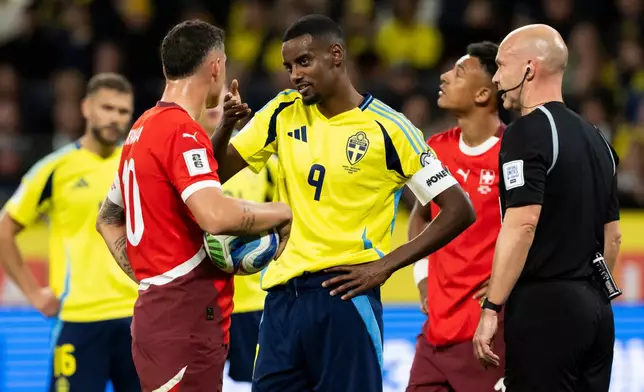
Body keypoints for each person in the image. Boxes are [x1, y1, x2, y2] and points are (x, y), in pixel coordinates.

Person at [211, 14, 475, 392]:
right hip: (283, 297)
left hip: (345, 296)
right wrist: (225, 126)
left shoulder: (391, 128)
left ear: (336, 55)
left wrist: (386, 266)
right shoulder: (282, 111)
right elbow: (216, 173)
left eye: (304, 62)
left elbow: (458, 208)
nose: (295, 75)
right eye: (288, 67)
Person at [95, 20, 292, 392]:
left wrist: (147, 275)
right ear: (216, 67)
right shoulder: (182, 132)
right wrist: (282, 212)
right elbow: (215, 216)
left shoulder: (143, 129)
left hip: (160, 312)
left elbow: (107, 218)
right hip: (185, 320)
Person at [472, 24, 621, 392]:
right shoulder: (598, 138)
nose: (494, 76)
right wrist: (589, 300)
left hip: (545, 310)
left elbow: (522, 225)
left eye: (501, 64)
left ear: (528, 68)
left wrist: (492, 307)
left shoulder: (526, 132)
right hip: (597, 312)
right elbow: (613, 237)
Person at [0, 73, 141, 392]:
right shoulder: (55, 169)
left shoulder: (139, 164)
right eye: (107, 107)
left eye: (122, 111)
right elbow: (4, 229)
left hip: (137, 316)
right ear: (86, 108)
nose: (114, 117)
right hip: (78, 316)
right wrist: (34, 294)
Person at [407, 41, 506, 392]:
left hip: (487, 334)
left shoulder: (513, 153)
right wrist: (422, 279)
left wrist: (506, 285)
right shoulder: (435, 148)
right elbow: (419, 216)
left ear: (483, 94)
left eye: (459, 72)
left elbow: (537, 229)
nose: (445, 76)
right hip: (435, 331)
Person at [200, 91, 279, 387]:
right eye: (211, 101)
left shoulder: (263, 164)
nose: (217, 107)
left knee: (253, 383)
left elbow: (284, 216)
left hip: (250, 302)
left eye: (225, 101)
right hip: (200, 300)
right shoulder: (182, 160)